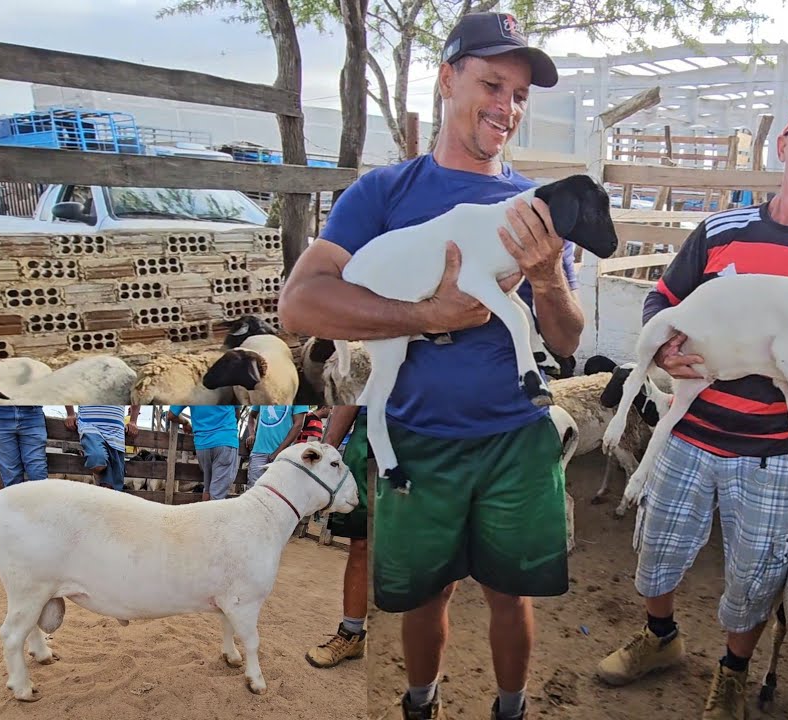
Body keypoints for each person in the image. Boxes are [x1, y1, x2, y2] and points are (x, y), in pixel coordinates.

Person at [277, 12, 575, 720]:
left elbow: (565, 341)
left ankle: (512, 706)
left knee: (513, 594)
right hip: (417, 438)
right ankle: (421, 702)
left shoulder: (535, 208)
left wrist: (552, 278)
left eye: (520, 96)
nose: (507, 107)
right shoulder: (385, 194)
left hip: (515, 440)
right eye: (492, 84)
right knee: (424, 594)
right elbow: (300, 305)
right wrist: (425, 317)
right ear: (447, 80)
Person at [595, 89, 788, 718]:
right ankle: (660, 638)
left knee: (756, 572)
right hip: (691, 428)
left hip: (772, 449)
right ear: (783, 147)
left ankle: (732, 672)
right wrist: (666, 352)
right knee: (659, 547)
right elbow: (662, 299)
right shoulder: (721, 229)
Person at [304, 405, 367, 670]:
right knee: (361, 542)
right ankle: (351, 634)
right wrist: (326, 451)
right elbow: (350, 396)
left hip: (429, 433)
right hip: (371, 438)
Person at [166, 405, 241, 501]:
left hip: (202, 445)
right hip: (226, 441)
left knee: (207, 490)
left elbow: (171, 415)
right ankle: (211, 515)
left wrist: (185, 422)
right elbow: (236, 413)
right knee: (217, 496)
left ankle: (204, 514)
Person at [65, 405, 139, 491]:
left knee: (114, 488)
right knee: (97, 459)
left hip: (116, 432)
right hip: (90, 425)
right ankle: (100, 485)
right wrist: (70, 414)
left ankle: (102, 490)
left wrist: (133, 421)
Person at [0, 405, 47, 487]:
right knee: (11, 475)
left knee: (37, 471)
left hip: (31, 409)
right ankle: (18, 498)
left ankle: (39, 498)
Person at [243, 405, 309, 486]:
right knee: (254, 489)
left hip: (283, 455)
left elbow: (298, 425)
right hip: (258, 451)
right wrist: (252, 434)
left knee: (278, 490)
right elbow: (252, 415)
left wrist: (278, 452)